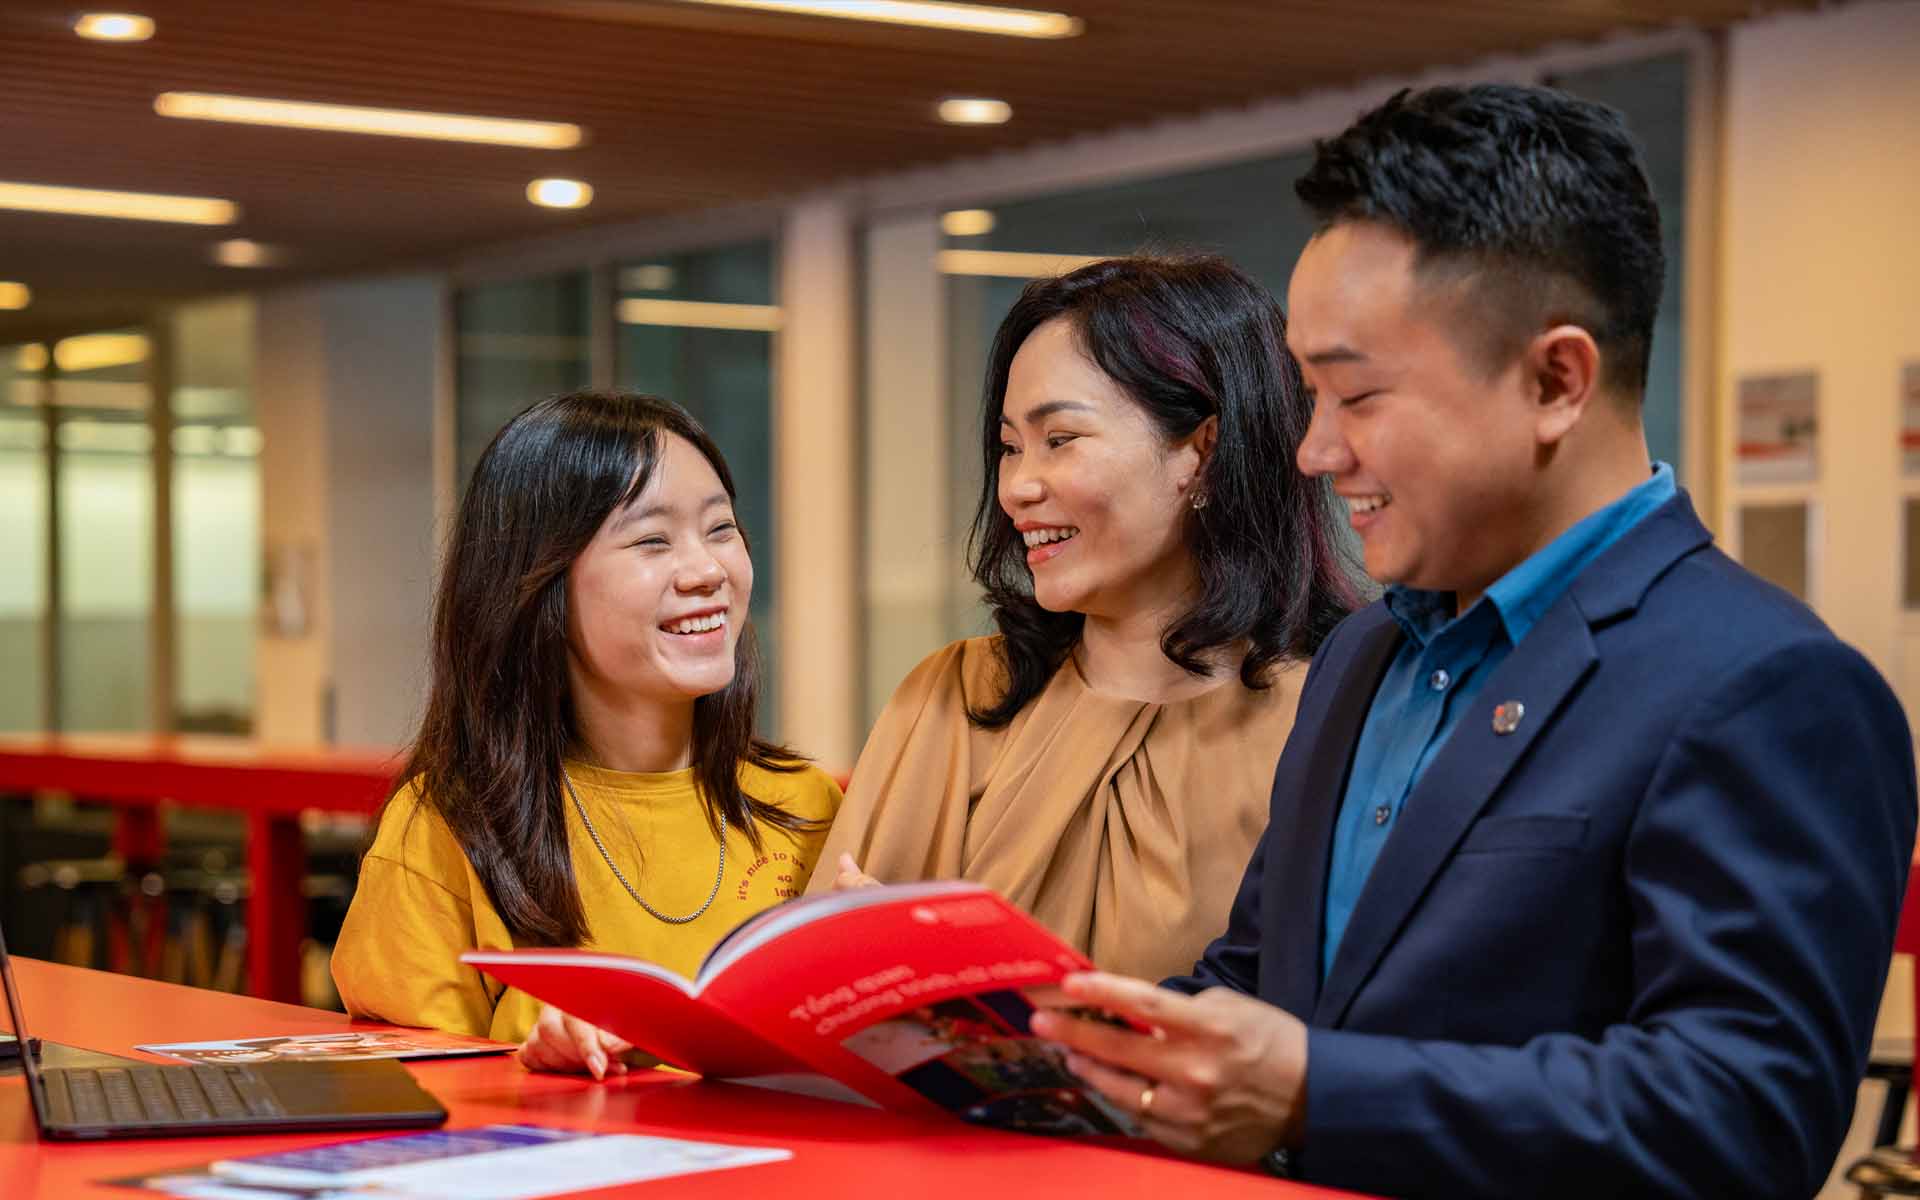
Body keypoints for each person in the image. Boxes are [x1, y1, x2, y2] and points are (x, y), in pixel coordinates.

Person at [1031, 84, 1917, 1198]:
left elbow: (1743, 1115)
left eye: (1356, 396)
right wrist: (1043, 1038)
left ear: (1557, 380)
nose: (1314, 451)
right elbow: (1263, 982)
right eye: (1308, 394)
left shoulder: (1767, 684)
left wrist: (1319, 1093)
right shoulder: (1366, 657)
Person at [812, 254, 1357, 982]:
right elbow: (813, 994)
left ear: (1204, 449)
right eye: (1009, 448)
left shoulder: (1328, 722)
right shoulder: (953, 698)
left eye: (1059, 439)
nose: (1017, 488)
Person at [332, 391, 839, 1077]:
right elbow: (403, 1106)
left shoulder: (807, 807)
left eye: (721, 529)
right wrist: (533, 1067)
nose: (708, 571)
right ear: (539, 585)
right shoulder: (448, 829)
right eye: (653, 540)